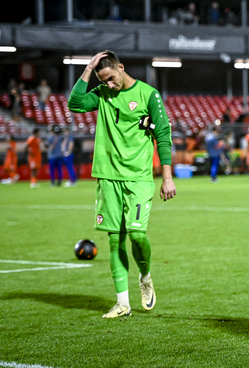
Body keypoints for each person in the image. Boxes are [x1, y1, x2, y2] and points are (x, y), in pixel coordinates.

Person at [67, 50, 176, 317]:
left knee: (137, 235)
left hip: (138, 177)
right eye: (104, 81)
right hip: (107, 176)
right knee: (115, 240)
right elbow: (75, 103)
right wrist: (89, 68)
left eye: (112, 78)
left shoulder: (149, 95)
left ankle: (145, 276)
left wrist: (168, 177)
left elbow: (162, 134)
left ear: (121, 67)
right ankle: (122, 303)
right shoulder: (103, 94)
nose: (110, 85)